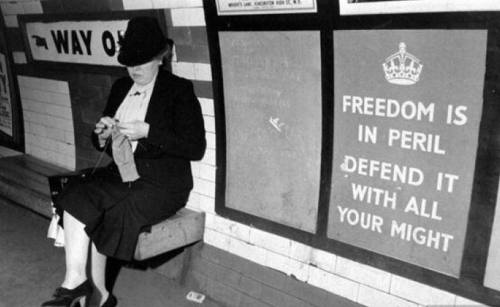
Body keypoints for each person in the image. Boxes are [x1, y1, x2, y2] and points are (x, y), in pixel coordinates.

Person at [41, 16, 206, 307]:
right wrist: (101, 134)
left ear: (160, 58)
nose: (135, 69)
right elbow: (100, 139)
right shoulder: (121, 87)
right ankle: (75, 282)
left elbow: (195, 148)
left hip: (162, 183)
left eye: (141, 62)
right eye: (129, 63)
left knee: (112, 208)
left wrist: (149, 132)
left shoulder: (178, 90)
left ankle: (99, 294)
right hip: (122, 173)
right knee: (76, 194)